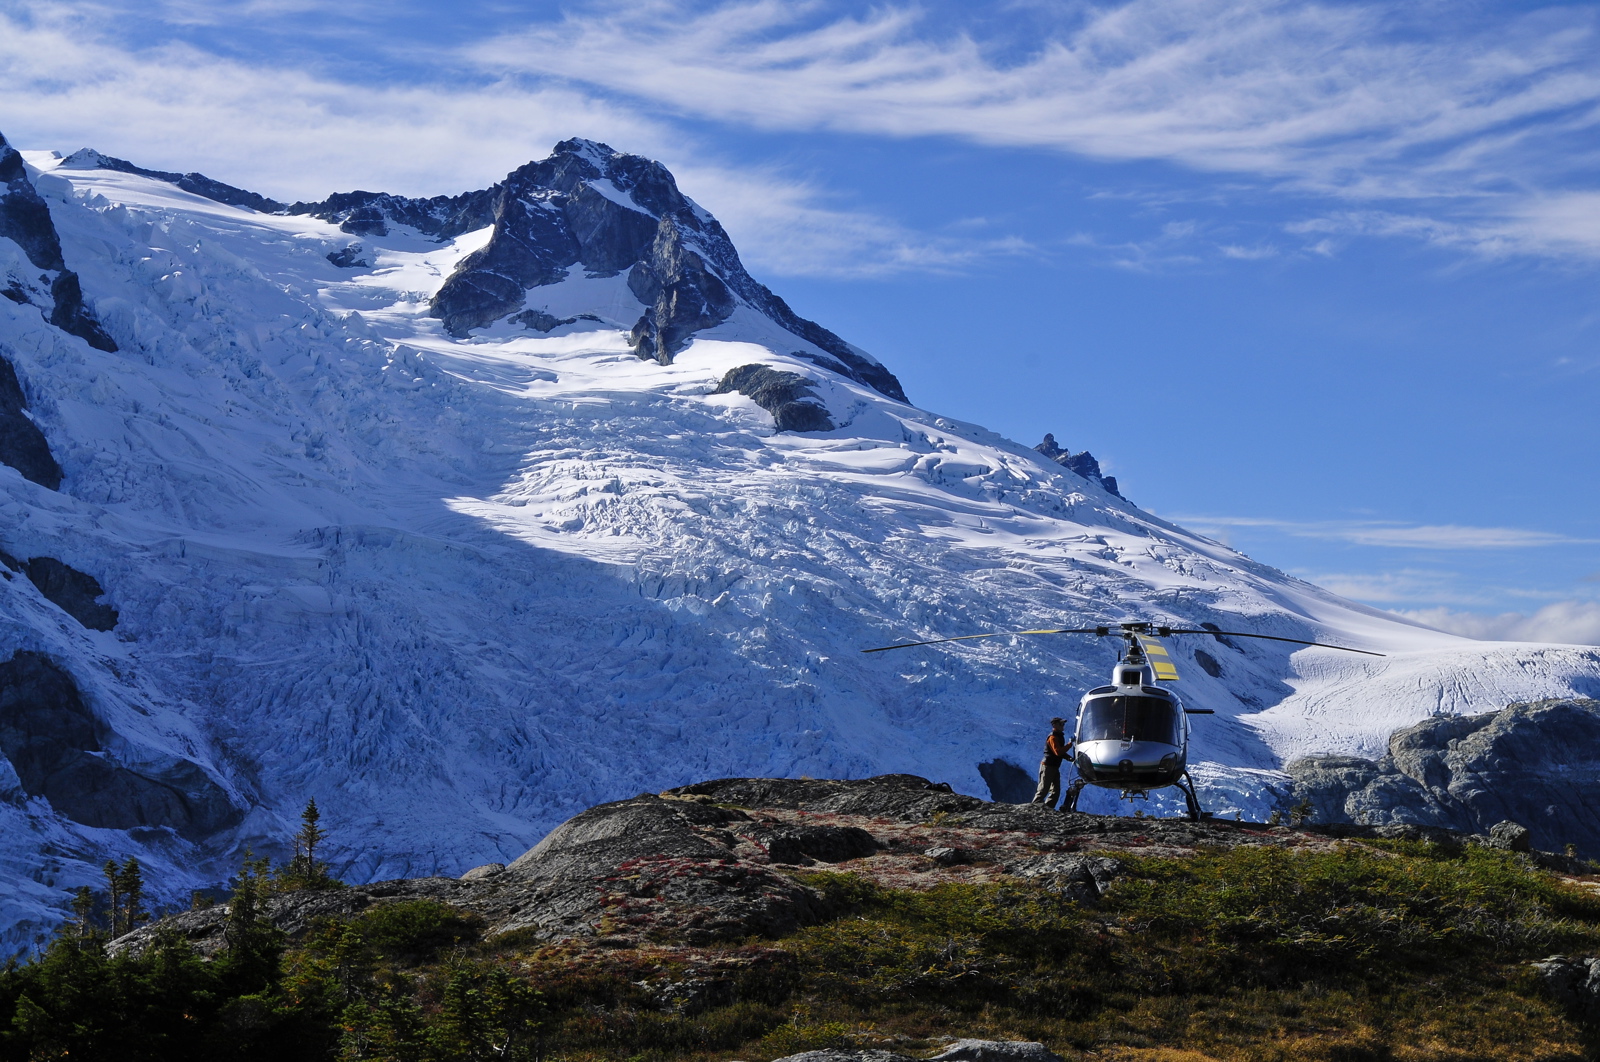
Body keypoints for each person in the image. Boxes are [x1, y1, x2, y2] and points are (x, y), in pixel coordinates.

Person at [1031, 717, 1073, 808]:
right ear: (1055, 725)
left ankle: (1048, 808)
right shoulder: (1053, 737)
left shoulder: (1058, 736)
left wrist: (1069, 758)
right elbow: (1058, 752)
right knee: (1043, 789)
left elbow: (1059, 752)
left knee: (1055, 790)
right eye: (1061, 724)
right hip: (1048, 766)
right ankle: (1034, 807)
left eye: (1063, 724)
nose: (1063, 726)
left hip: (1054, 766)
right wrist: (1070, 745)